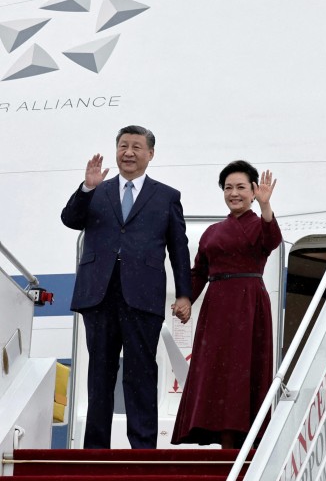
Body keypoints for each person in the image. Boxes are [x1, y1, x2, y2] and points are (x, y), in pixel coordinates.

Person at [61, 125, 192, 449]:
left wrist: (185, 293)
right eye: (123, 146)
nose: (128, 152)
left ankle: (144, 449)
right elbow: (70, 219)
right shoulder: (98, 190)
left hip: (143, 296)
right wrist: (86, 189)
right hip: (99, 294)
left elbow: (179, 248)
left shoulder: (166, 196)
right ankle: (95, 449)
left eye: (136, 146)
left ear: (150, 154)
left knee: (141, 373)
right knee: (100, 374)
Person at [172, 160, 281, 448]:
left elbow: (272, 241)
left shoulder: (260, 224)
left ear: (254, 191)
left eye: (241, 188)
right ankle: (215, 431)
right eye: (229, 187)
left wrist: (266, 206)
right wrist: (185, 299)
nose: (234, 193)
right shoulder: (212, 232)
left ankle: (242, 435)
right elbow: (199, 272)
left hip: (249, 304)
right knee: (215, 370)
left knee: (244, 368)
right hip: (217, 306)